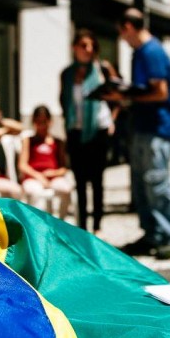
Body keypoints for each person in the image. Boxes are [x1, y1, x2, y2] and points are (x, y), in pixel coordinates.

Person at [113, 8, 170, 260]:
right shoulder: (140, 53)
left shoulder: (152, 51)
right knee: (142, 185)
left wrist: (124, 95)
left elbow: (160, 92)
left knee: (157, 183)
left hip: (158, 128)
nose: (122, 38)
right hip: (143, 127)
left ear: (128, 27)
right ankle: (152, 235)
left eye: (121, 32)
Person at [59, 29, 117, 232]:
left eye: (92, 45)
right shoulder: (67, 74)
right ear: (74, 48)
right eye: (84, 45)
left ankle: (98, 225)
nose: (88, 49)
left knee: (98, 180)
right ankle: (82, 226)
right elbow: (64, 102)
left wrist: (112, 121)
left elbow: (117, 96)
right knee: (80, 181)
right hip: (76, 130)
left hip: (98, 130)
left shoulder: (102, 69)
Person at [18, 105, 74, 217]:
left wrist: (52, 173)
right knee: (36, 193)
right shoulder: (28, 140)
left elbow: (64, 168)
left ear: (50, 122)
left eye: (44, 122)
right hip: (33, 177)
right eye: (38, 122)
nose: (42, 126)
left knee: (66, 190)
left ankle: (59, 222)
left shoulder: (58, 142)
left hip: (53, 177)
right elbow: (22, 165)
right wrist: (38, 176)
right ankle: (39, 225)